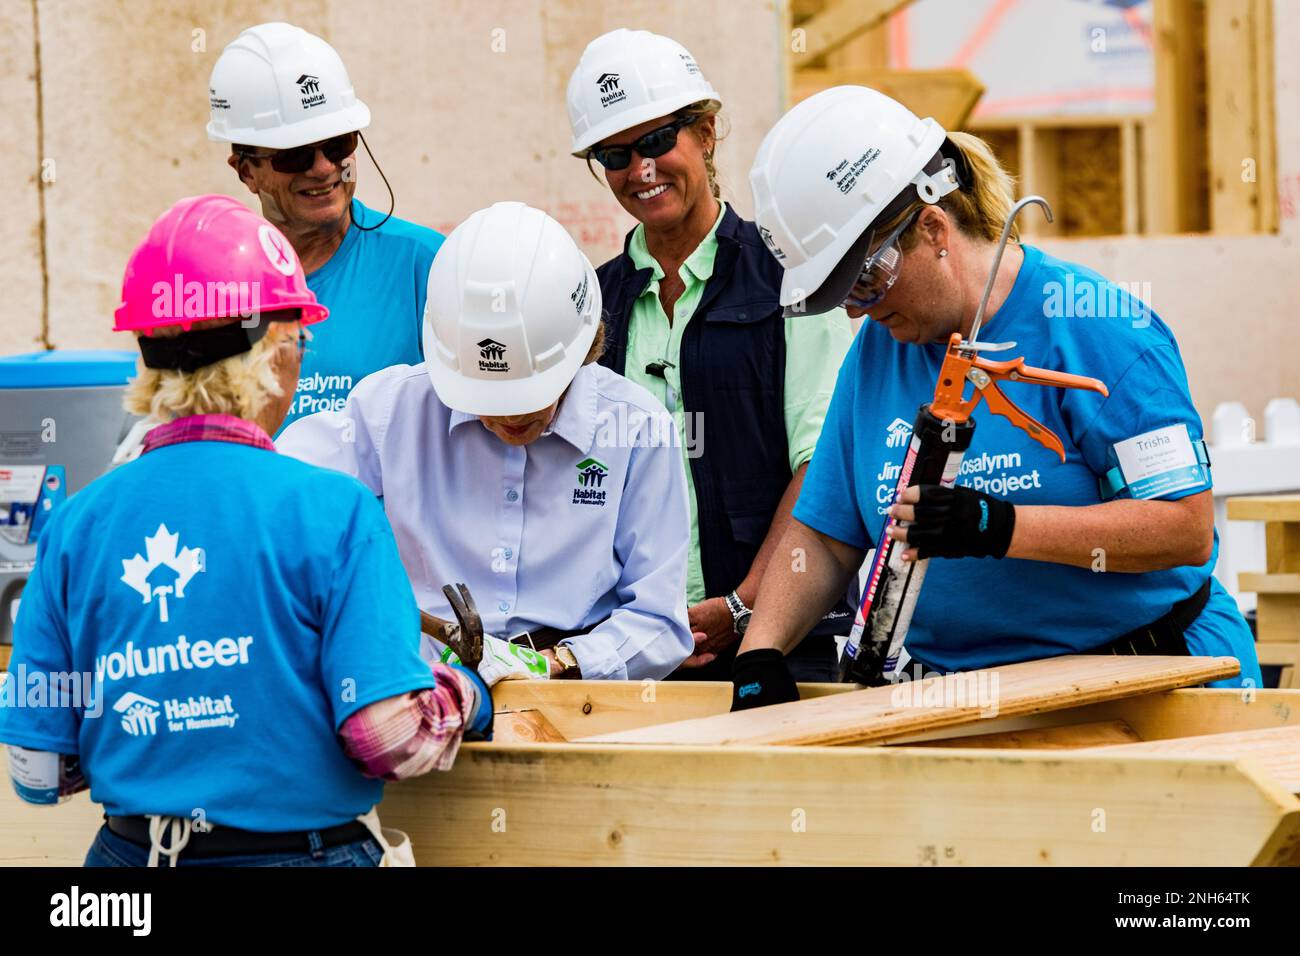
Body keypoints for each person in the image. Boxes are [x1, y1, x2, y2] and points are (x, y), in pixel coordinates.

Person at [731, 85, 1261, 708]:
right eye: (841, 295)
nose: (859, 311)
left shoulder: (1096, 326)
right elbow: (826, 535)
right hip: (973, 701)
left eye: (867, 281)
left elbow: (1184, 528)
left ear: (932, 227)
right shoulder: (880, 352)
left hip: (1149, 681)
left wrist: (999, 526)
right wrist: (760, 652)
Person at [0, 196, 491, 867]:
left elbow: (38, 770)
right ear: (275, 351)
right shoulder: (335, 511)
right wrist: (465, 693)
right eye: (299, 341)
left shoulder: (77, 524)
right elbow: (389, 739)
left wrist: (155, 738)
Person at [277, 201, 693, 681]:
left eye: (528, 396)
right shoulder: (390, 412)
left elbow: (659, 620)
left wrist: (557, 664)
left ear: (583, 350)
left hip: (577, 697)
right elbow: (279, 490)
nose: (510, 416)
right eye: (488, 398)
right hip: (426, 690)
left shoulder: (637, 430)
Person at [567, 29, 855, 681]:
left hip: (782, 646)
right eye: (615, 154)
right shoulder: (589, 304)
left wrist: (744, 606)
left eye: (656, 141)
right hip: (631, 654)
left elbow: (824, 465)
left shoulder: (793, 283)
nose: (640, 170)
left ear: (706, 133)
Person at [207, 21, 445, 429]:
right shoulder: (215, 286)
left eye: (338, 145)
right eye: (294, 155)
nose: (323, 168)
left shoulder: (425, 264)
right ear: (246, 171)